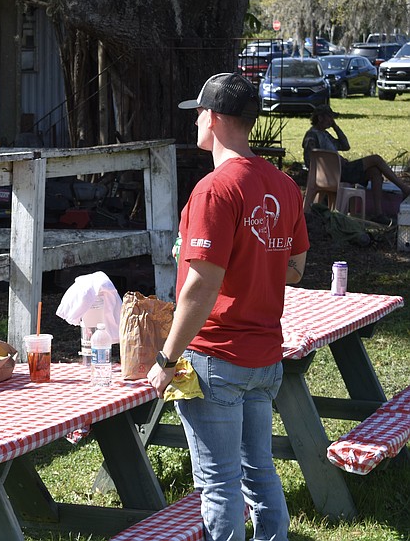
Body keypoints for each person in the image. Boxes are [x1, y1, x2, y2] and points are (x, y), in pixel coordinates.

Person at [148, 73, 309, 541]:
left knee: (218, 485)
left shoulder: (215, 189)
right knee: (259, 473)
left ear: (214, 118)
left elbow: (200, 289)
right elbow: (295, 267)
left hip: (216, 355)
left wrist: (166, 358)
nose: (195, 121)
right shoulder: (283, 183)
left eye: (197, 113)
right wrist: (250, 256)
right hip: (265, 357)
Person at [302, 107, 410, 223]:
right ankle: (404, 188)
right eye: (330, 117)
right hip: (335, 172)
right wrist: (333, 161)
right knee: (376, 159)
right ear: (320, 118)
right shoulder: (311, 136)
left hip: (342, 170)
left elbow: (345, 146)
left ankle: (378, 213)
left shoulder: (325, 134)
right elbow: (310, 159)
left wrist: (336, 127)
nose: (331, 120)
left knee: (375, 172)